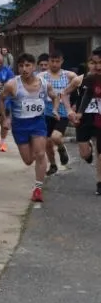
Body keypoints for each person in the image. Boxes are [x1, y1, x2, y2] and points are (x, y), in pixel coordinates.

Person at [0, 53, 58, 202]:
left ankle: (38, 188)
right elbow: (1, 99)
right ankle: (33, 153)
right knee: (28, 160)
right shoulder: (12, 84)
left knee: (40, 153)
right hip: (20, 125)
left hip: (38, 122)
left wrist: (55, 109)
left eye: (27, 65)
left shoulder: (44, 83)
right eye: (21, 66)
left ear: (34, 66)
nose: (24, 69)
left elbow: (55, 96)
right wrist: (5, 119)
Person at [66, 47, 101, 194]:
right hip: (85, 118)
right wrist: (75, 112)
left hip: (99, 119)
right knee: (85, 154)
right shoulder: (85, 80)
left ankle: (99, 183)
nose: (97, 66)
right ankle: (88, 152)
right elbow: (86, 96)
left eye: (99, 63)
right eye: (94, 63)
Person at [37, 50, 76, 175]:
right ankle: (53, 165)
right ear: (48, 62)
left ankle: (61, 147)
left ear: (62, 61)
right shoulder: (42, 76)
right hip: (47, 113)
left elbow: (81, 83)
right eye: (52, 61)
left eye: (57, 61)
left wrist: (75, 105)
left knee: (56, 137)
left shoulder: (69, 75)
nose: (54, 64)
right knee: (47, 143)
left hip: (63, 112)